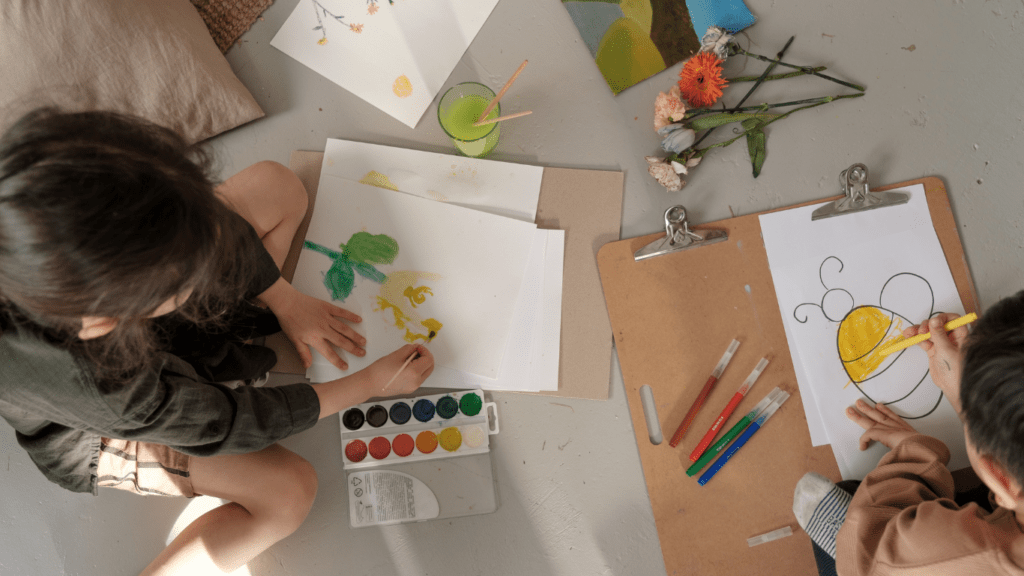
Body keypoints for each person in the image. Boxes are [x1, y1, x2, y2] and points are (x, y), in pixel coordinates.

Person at [0, 108, 435, 575]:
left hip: (132, 319)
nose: (206, 266)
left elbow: (210, 229)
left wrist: (285, 300)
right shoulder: (103, 389)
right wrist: (367, 384)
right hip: (94, 430)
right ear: (105, 320)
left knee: (277, 185)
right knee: (289, 493)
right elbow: (223, 423)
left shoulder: (54, 202)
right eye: (187, 275)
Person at [792, 292, 1024, 575]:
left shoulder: (950, 553)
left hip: (901, 564)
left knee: (861, 518)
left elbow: (869, 565)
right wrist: (972, 400)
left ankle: (865, 532)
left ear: (999, 477)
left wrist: (914, 452)